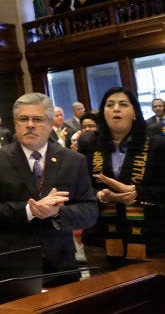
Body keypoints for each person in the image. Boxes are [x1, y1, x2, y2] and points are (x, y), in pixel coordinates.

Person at [0, 92, 98, 287]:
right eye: (23, 119)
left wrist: (57, 212)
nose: (30, 124)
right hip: (13, 262)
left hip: (61, 263)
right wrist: (29, 210)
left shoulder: (73, 160)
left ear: (51, 124)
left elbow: (90, 211)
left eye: (38, 119)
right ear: (16, 124)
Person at [78, 87, 165, 271]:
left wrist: (137, 193)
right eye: (110, 105)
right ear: (103, 113)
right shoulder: (88, 143)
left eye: (123, 104)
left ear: (134, 111)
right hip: (100, 239)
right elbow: (80, 186)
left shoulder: (157, 144)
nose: (116, 108)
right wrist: (101, 195)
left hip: (150, 238)